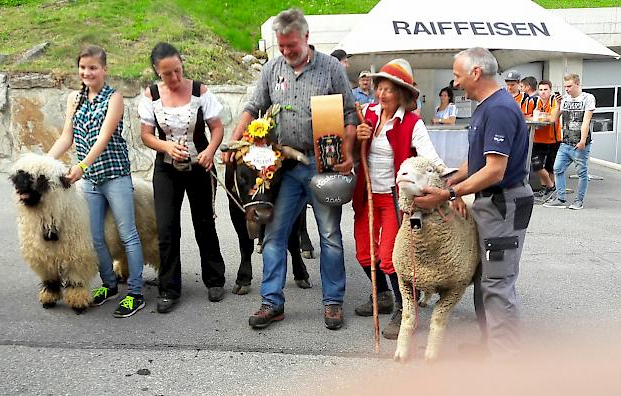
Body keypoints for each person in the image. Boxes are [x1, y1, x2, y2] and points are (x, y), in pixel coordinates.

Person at [225, 8, 357, 330]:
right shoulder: (272, 69)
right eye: (281, 47)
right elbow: (253, 106)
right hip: (285, 166)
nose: (286, 52)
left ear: (306, 38)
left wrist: (349, 153)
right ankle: (272, 302)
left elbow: (350, 114)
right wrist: (234, 140)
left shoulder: (329, 68)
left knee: (330, 236)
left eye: (291, 46)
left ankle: (333, 302)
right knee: (274, 234)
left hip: (323, 164)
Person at [414, 47, 534, 358]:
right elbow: (476, 160)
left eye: (457, 75)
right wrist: (451, 179)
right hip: (490, 203)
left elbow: (495, 169)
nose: (455, 83)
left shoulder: (500, 110)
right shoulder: (484, 107)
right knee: (485, 278)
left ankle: (505, 361)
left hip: (504, 203)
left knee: (498, 283)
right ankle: (489, 345)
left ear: (475, 73)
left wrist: (450, 194)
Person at [47, 45, 146, 318]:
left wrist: (81, 165)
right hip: (89, 180)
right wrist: (44, 163)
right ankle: (109, 285)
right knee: (94, 237)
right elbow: (67, 136)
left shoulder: (114, 98)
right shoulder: (74, 99)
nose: (87, 72)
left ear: (104, 69)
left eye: (93, 68)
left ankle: (136, 293)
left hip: (114, 175)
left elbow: (104, 137)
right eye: (83, 68)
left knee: (128, 235)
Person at [353, 58, 445, 339]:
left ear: (402, 93)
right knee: (364, 253)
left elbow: (430, 157)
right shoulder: (365, 114)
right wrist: (358, 137)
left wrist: (449, 184)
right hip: (367, 195)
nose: (381, 94)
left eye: (388, 89)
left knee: (390, 258)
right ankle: (381, 295)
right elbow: (347, 146)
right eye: (379, 87)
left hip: (395, 198)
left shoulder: (413, 123)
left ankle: (406, 308)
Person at [138, 42, 226, 313]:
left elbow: (217, 128)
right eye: (167, 74)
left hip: (199, 165)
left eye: (177, 71)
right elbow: (146, 135)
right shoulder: (151, 95)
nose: (174, 78)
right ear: (156, 71)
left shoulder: (200, 91)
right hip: (166, 169)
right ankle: (169, 289)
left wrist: (210, 151)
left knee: (204, 223)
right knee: (166, 228)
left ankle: (214, 279)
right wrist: (165, 146)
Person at [226, 166, 313, 295]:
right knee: (237, 200)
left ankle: (296, 256)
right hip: (243, 148)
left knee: (291, 199)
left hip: (277, 152)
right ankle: (245, 262)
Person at [543, 73, 595, 210]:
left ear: (577, 84)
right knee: (557, 168)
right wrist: (558, 104)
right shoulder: (565, 100)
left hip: (580, 143)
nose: (567, 89)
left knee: (582, 173)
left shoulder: (587, 98)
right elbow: (553, 119)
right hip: (565, 142)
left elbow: (586, 121)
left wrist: (583, 140)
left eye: (569, 86)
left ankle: (579, 201)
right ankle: (560, 198)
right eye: (565, 86)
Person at [531, 80, 562, 203]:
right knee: (537, 165)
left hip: (553, 139)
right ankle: (551, 187)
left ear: (550, 90)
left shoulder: (555, 101)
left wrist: (544, 116)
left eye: (545, 90)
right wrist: (544, 116)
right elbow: (529, 115)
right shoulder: (535, 101)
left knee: (550, 167)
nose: (543, 92)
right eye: (541, 90)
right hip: (538, 138)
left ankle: (547, 190)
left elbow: (553, 118)